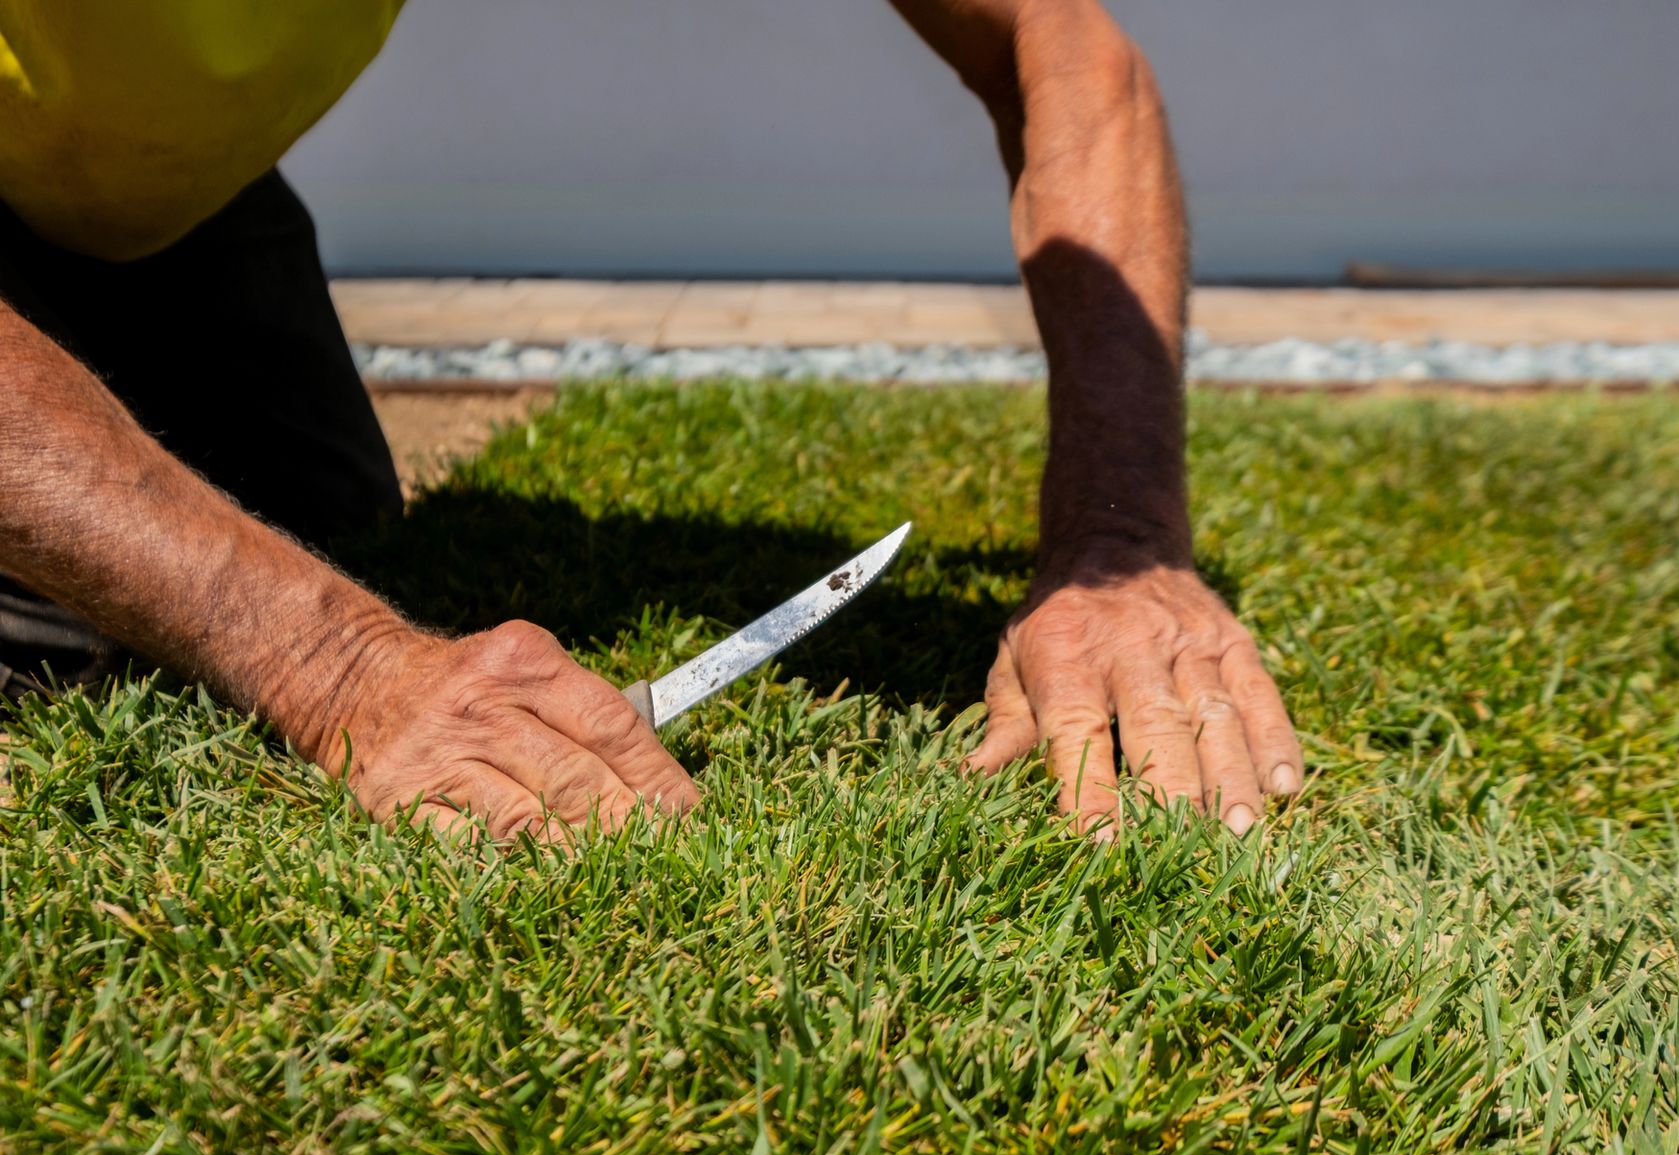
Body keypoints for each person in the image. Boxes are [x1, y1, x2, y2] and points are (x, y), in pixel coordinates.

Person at [0, 0, 1303, 837]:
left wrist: (1119, 547)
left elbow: (1066, 48)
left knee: (330, 528)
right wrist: (335, 667)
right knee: (89, 644)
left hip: (172, 200)